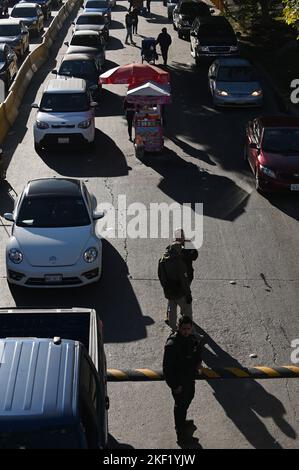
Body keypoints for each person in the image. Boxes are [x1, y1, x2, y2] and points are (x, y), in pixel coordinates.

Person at [163, 316, 203, 444]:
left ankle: (182, 422)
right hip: (179, 382)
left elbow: (195, 354)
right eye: (183, 329)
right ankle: (181, 434)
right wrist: (175, 385)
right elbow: (167, 368)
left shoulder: (191, 339)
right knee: (180, 406)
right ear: (179, 328)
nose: (186, 331)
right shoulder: (172, 344)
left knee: (189, 398)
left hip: (189, 378)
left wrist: (198, 363)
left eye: (188, 329)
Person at [158, 241, 192, 332]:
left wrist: (166, 288)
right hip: (180, 292)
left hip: (168, 291)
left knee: (172, 311)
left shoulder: (162, 260)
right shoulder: (179, 263)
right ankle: (190, 331)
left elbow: (161, 276)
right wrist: (188, 295)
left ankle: (174, 329)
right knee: (187, 310)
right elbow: (184, 281)